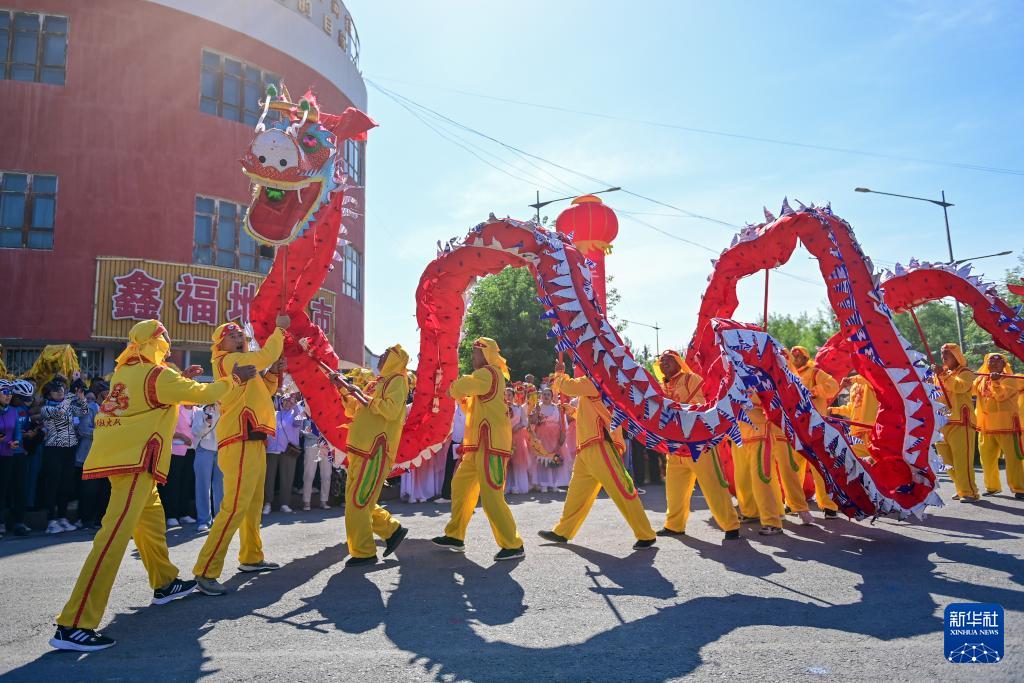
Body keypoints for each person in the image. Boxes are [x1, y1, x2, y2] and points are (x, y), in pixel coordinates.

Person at [50, 319, 255, 652]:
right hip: (136, 462)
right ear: (153, 343)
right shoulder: (157, 375)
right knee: (112, 539)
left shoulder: (126, 372)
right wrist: (234, 379)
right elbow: (208, 393)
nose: (168, 344)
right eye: (164, 338)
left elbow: (148, 402)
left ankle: (165, 582)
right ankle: (73, 623)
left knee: (151, 523)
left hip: (123, 460)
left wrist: (180, 379)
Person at [192, 315, 289, 596]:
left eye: (240, 336)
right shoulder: (228, 361)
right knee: (234, 506)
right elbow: (266, 354)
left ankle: (251, 557)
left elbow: (265, 391)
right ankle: (206, 570)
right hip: (239, 439)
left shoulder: (245, 366)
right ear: (220, 345)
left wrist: (272, 374)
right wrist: (280, 330)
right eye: (231, 336)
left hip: (253, 438)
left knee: (253, 505)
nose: (238, 339)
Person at [538, 359, 657, 549]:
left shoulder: (596, 379)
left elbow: (567, 387)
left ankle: (646, 534)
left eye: (579, 363)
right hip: (586, 446)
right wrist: (572, 411)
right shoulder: (594, 382)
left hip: (600, 445)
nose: (577, 366)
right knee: (576, 494)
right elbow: (591, 413)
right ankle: (563, 531)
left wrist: (559, 373)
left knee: (622, 489)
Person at [432, 338, 525, 561]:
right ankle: (455, 535)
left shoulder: (488, 373)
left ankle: (513, 545)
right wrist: (459, 396)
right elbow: (471, 405)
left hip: (491, 446)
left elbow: (462, 387)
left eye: (475, 352)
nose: (472, 356)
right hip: (477, 446)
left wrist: (452, 386)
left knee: (492, 497)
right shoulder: (485, 377)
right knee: (460, 487)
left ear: (486, 355)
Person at [329, 344, 411, 566]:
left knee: (358, 501)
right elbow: (354, 409)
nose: (381, 357)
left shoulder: (398, 381)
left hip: (375, 451)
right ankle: (391, 530)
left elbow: (391, 410)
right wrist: (343, 389)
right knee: (357, 500)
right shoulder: (377, 383)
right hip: (360, 448)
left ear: (395, 360)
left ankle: (364, 552)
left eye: (386, 354)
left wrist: (363, 397)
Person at [652, 350, 740, 540]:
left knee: (713, 486)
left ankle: (731, 525)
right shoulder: (660, 387)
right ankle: (674, 525)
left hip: (699, 445)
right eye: (661, 360)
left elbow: (700, 408)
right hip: (675, 447)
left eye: (669, 359)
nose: (664, 362)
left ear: (679, 362)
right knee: (674, 490)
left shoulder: (691, 379)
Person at [783, 346, 840, 522]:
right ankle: (792, 503)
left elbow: (833, 386)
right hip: (797, 428)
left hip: (816, 428)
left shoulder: (816, 373)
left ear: (806, 358)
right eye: (793, 356)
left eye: (799, 356)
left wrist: (815, 391)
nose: (795, 359)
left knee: (821, 467)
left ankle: (829, 505)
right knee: (794, 467)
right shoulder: (788, 375)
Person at [730, 395, 785, 535]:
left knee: (761, 479)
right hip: (738, 436)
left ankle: (772, 521)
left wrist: (745, 399)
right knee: (742, 478)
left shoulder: (759, 381)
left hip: (760, 434)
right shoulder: (727, 382)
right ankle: (750, 512)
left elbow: (773, 400)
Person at [40, 378, 89, 534]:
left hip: (69, 449)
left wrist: (81, 399)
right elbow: (60, 413)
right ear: (49, 394)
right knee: (53, 484)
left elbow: (83, 412)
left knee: (66, 484)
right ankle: (51, 521)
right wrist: (70, 398)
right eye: (56, 390)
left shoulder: (68, 405)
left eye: (61, 389)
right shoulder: (46, 408)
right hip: (53, 449)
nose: (60, 392)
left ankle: (62, 517)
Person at [972, 353, 1024, 498]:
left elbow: (1001, 396)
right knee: (986, 459)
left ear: (1004, 365)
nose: (993, 364)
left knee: (1013, 459)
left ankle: (1019, 488)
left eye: (997, 361)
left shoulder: (1011, 379)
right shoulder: (980, 379)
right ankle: (992, 487)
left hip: (1007, 426)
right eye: (990, 361)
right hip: (986, 426)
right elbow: (968, 390)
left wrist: (995, 382)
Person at [932, 344, 978, 501]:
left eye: (947, 353)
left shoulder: (966, 373)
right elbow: (938, 398)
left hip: (961, 422)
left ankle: (969, 492)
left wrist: (942, 374)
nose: (943, 357)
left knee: (962, 461)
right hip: (943, 422)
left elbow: (959, 387)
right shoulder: (940, 374)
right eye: (942, 353)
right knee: (946, 461)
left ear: (956, 355)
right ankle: (961, 488)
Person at [76, 384, 111, 530]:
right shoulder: (90, 408)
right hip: (89, 455)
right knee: (89, 490)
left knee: (104, 490)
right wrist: (104, 433)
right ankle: (85, 520)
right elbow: (83, 429)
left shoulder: (112, 409)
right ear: (99, 394)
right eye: (106, 392)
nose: (109, 395)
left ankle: (100, 519)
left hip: (106, 457)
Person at [264, 394, 303, 514]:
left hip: (288, 450)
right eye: (285, 401)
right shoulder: (274, 414)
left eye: (290, 402)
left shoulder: (296, 414)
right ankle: (267, 503)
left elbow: (299, 423)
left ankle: (285, 504)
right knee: (269, 478)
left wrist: (296, 406)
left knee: (287, 478)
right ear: (281, 402)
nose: (287, 404)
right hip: (271, 450)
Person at [160, 405, 196, 528]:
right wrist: (181, 436)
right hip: (176, 451)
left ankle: (184, 514)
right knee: (173, 484)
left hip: (192, 450)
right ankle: (171, 515)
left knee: (186, 483)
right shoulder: (175, 409)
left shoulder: (198, 411)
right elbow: (166, 428)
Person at [828, 373, 879, 461]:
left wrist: (852, 379)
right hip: (857, 432)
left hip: (871, 430)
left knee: (877, 457)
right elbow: (852, 409)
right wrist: (833, 410)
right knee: (851, 456)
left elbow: (871, 380)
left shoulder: (874, 379)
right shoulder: (854, 386)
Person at [191, 403, 222, 532]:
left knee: (220, 487)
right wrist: (206, 424)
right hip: (204, 450)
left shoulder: (225, 410)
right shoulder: (200, 411)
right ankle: (204, 520)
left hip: (221, 451)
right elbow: (195, 432)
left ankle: (220, 519)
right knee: (203, 487)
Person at [530, 387, 567, 493]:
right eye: (544, 394)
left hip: (554, 436)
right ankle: (544, 484)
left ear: (551, 396)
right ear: (541, 396)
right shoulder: (537, 407)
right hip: (541, 436)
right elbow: (533, 422)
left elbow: (562, 423)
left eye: (548, 394)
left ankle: (554, 484)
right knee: (543, 459)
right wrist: (536, 413)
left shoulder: (557, 408)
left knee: (554, 459)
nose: (545, 396)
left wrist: (562, 435)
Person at [0, 380, 24, 538]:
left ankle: (2, 523)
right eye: (4, 392)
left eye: (10, 393)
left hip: (7, 454)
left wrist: (16, 441)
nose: (8, 396)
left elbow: (17, 432)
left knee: (3, 490)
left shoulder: (13, 411)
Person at [436, 401, 466, 503]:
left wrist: (463, 441)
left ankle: (467, 494)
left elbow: (469, 425)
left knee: (465, 469)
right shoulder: (457, 405)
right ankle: (446, 495)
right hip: (455, 441)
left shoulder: (467, 406)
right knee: (449, 467)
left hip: (464, 442)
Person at [300, 417, 332, 511]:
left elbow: (331, 430)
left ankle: (324, 501)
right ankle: (306, 502)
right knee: (309, 475)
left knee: (326, 475)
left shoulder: (328, 414)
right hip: (311, 446)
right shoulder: (308, 415)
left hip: (326, 447)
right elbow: (307, 432)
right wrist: (323, 434)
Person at [505, 387, 531, 495]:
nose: (507, 397)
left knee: (517, 462)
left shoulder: (518, 408)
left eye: (509, 395)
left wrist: (518, 426)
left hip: (517, 437)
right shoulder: (501, 407)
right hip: (504, 437)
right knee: (505, 463)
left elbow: (525, 421)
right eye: (505, 395)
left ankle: (517, 485)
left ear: (514, 396)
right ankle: (505, 486)